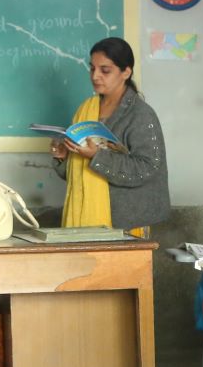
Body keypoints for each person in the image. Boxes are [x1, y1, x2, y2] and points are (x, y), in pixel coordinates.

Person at [50, 37, 171, 236]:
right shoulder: (86, 109)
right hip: (83, 216)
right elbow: (77, 175)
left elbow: (148, 168)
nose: (96, 76)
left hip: (126, 222)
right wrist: (63, 157)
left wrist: (97, 156)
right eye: (92, 69)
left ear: (126, 72)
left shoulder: (140, 114)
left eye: (105, 70)